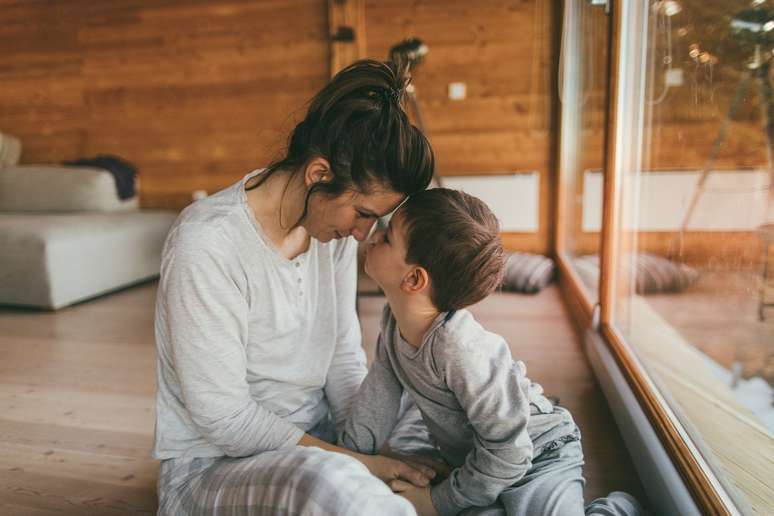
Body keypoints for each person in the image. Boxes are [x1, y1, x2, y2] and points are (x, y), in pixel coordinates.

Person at [152, 59, 441, 515]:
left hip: (321, 438)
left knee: (443, 414)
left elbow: (344, 358)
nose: (365, 233)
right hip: (216, 467)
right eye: (363, 213)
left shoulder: (332, 234)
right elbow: (224, 418)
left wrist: (374, 449)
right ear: (319, 174)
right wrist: (362, 464)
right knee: (327, 483)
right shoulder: (206, 243)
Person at [339, 188, 644, 516]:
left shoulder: (460, 348)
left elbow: (511, 451)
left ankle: (618, 509)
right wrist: (347, 460)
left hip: (537, 455)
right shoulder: (393, 323)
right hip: (475, 463)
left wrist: (438, 501)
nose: (374, 235)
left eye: (388, 237)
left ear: (414, 279)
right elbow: (377, 400)